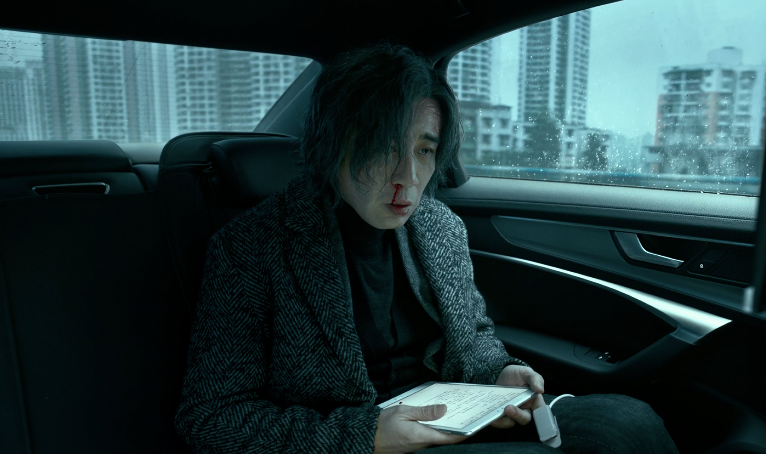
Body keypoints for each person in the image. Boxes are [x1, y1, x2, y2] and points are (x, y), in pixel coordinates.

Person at [175, 43, 679, 454]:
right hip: (356, 442)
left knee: (627, 421)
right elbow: (212, 418)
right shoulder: (252, 247)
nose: (409, 179)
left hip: (455, 422)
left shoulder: (439, 226)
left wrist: (500, 372)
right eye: (384, 148)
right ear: (333, 142)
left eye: (424, 150)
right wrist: (365, 435)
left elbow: (474, 339)